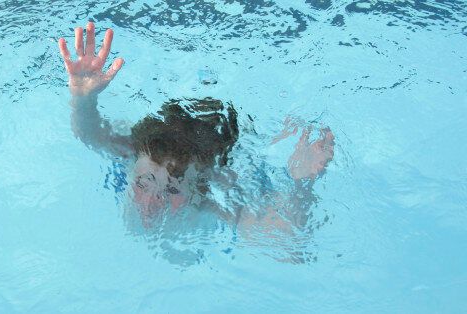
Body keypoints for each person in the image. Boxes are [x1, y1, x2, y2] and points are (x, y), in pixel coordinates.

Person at [58, 22, 334, 235]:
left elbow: (284, 247)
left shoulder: (212, 195)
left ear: (201, 188)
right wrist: (83, 98)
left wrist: (301, 183)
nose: (151, 203)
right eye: (142, 183)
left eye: (173, 191)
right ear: (132, 164)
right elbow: (89, 134)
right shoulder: (135, 154)